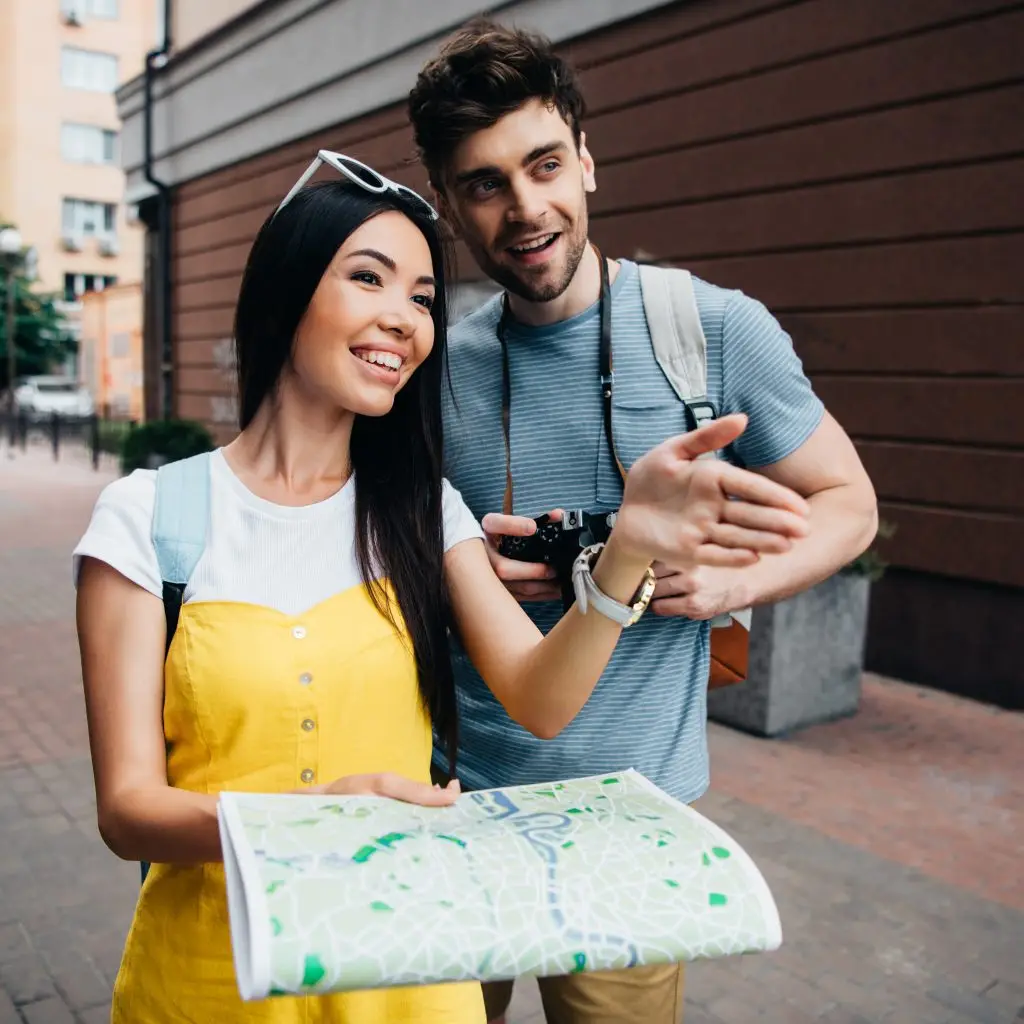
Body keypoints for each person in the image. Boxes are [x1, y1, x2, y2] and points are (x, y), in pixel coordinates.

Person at [72, 154, 812, 1024]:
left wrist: (627, 555)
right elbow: (127, 813)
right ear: (285, 290)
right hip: (209, 978)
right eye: (368, 278)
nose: (404, 319)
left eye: (423, 297)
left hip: (407, 978)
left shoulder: (424, 511)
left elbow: (540, 698)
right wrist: (307, 817)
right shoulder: (147, 517)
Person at [408, 19, 879, 1024]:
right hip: (454, 805)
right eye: (485, 183)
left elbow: (850, 505)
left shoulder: (711, 329)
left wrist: (729, 585)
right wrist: (454, 573)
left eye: (543, 164)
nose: (525, 207)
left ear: (586, 159)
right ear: (446, 203)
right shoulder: (426, 353)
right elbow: (372, 539)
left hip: (633, 821)